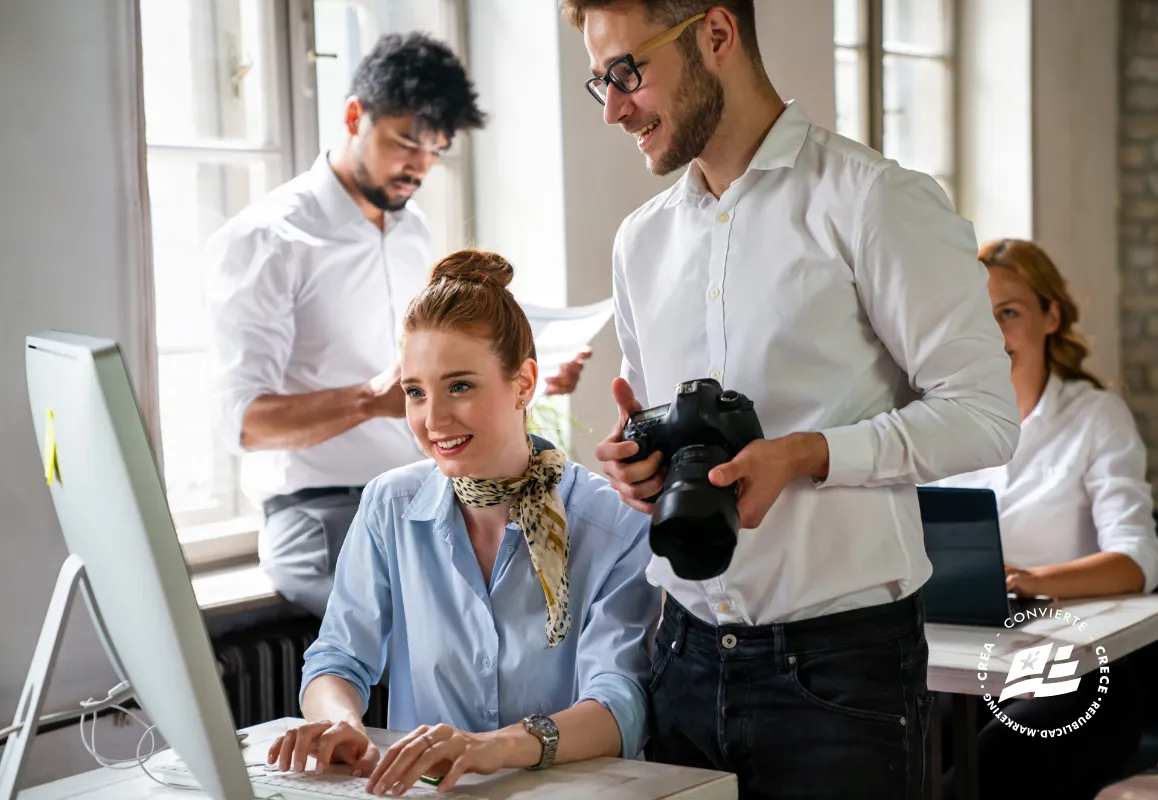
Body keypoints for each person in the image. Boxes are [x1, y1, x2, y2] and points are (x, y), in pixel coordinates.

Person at [562, 2, 1021, 797]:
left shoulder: (876, 201)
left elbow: (985, 415)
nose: (614, 108)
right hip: (681, 654)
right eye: (599, 80)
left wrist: (810, 454)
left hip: (842, 674)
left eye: (628, 72)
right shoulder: (641, 241)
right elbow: (657, 424)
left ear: (716, 34)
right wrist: (636, 463)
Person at [204, 33, 590, 618]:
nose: (420, 166)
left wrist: (514, 381)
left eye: (435, 149)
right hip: (320, 513)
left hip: (430, 493)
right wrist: (370, 401)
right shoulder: (269, 240)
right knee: (443, 628)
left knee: (560, 598)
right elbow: (246, 425)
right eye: (406, 142)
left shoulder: (410, 232)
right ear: (354, 116)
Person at [264, 249, 658, 795]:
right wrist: (340, 720)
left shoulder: (615, 522)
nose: (434, 419)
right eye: (414, 392)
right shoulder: (389, 505)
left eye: (460, 386)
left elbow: (619, 704)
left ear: (524, 383)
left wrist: (491, 748)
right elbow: (338, 656)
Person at [932, 239, 1158, 800]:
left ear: (1051, 315)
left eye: (1008, 313)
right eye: (978, 318)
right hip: (970, 664)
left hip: (1086, 673)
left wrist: (1032, 581)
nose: (993, 334)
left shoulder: (1096, 416)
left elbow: (1138, 561)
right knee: (892, 745)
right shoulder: (944, 425)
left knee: (984, 771)